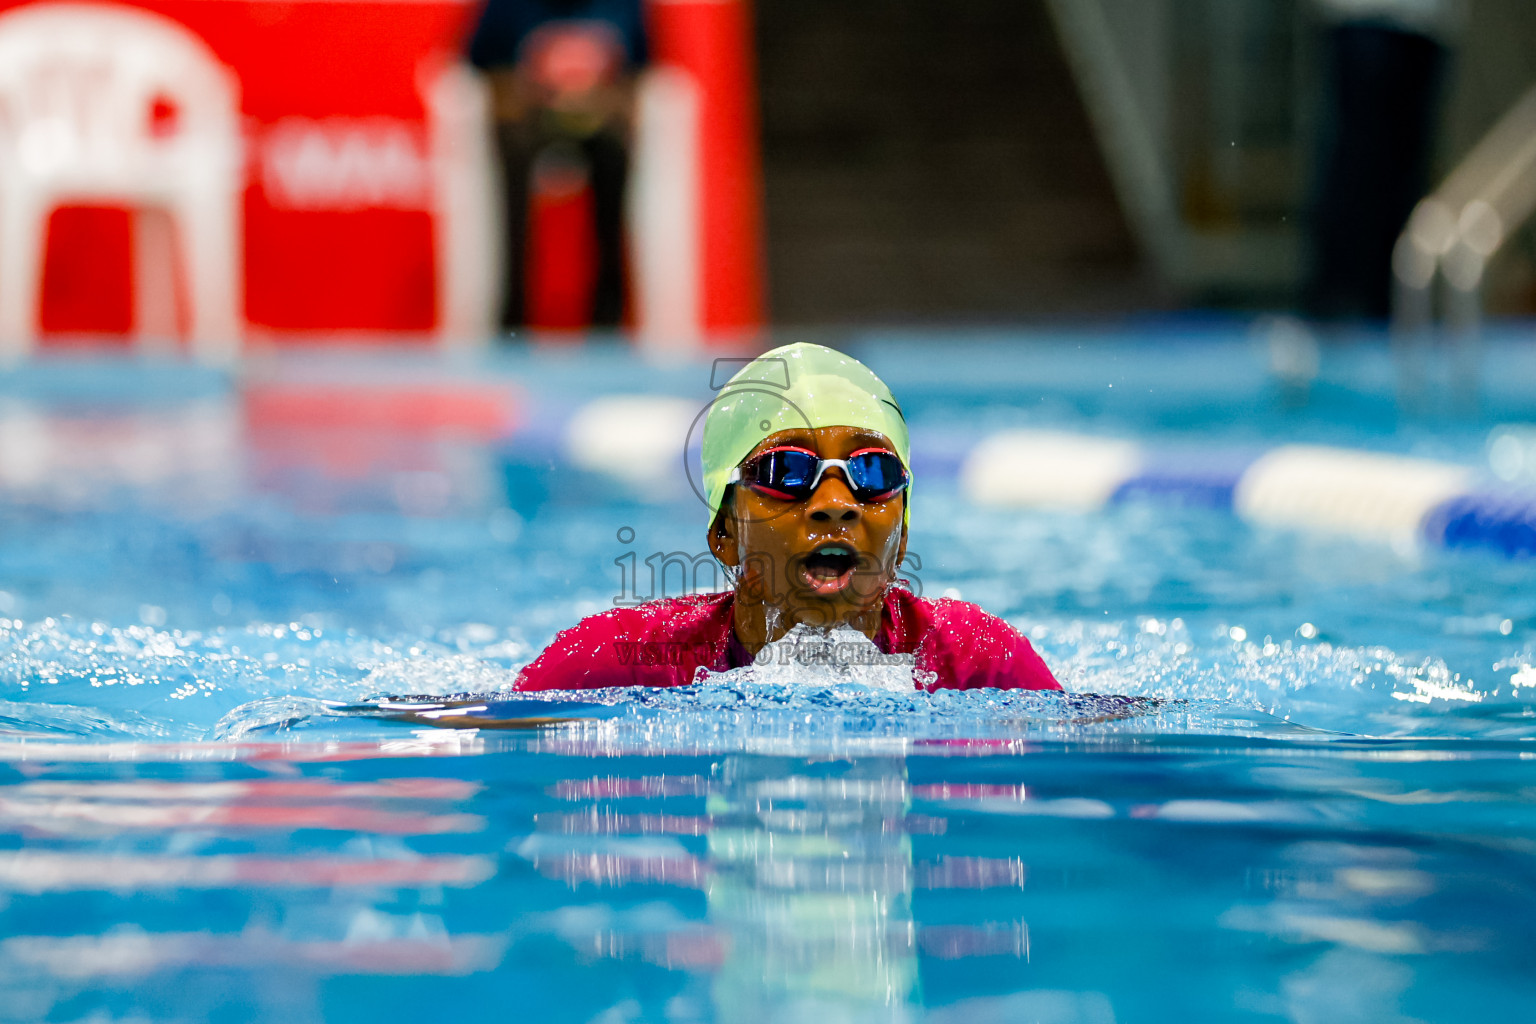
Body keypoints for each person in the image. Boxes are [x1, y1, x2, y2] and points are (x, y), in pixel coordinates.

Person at [514, 343, 1061, 692]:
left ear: (903, 533)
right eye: (786, 470)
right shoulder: (621, 659)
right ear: (723, 532)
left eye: (872, 471)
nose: (835, 502)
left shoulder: (978, 662)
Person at [466, 0, 648, 329]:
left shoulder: (623, 6)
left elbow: (644, 62)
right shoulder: (505, 8)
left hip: (600, 114)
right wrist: (532, 76)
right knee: (515, 159)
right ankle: (513, 319)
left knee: (613, 159)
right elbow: (476, 59)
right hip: (528, 112)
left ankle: (609, 322)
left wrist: (598, 83)